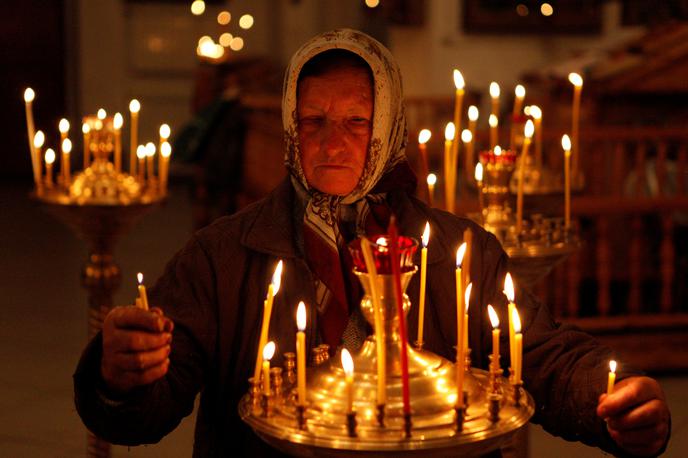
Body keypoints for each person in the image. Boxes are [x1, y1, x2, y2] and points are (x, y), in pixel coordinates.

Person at [74, 29, 670, 457]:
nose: (333, 144)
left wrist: (611, 398)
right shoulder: (223, 255)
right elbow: (149, 407)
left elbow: (539, 356)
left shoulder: (459, 250)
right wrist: (120, 376)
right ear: (290, 127)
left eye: (357, 122)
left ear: (388, 130)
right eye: (313, 121)